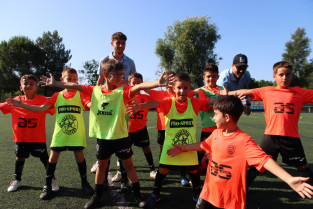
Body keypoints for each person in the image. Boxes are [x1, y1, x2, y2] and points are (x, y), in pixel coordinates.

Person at [39, 58, 174, 209]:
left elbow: (140, 86)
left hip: (121, 137)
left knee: (128, 165)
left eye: (121, 74)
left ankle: (137, 195)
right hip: (103, 138)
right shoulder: (94, 90)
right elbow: (73, 85)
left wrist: (157, 83)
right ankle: (97, 197)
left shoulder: (123, 91)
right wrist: (56, 83)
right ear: (105, 74)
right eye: (116, 74)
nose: (120, 77)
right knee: (102, 166)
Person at [167, 95, 313, 209]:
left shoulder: (244, 141)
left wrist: (289, 179)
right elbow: (203, 145)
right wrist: (184, 147)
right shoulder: (217, 133)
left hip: (231, 201)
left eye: (215, 114)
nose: (213, 117)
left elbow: (265, 160)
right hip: (208, 193)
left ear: (226, 117)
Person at [127, 72, 220, 207]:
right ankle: (155, 194)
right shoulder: (168, 103)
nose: (182, 91)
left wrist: (225, 98)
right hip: (170, 145)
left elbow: (211, 101)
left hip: (189, 147)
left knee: (193, 170)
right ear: (174, 89)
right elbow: (154, 102)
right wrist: (140, 106)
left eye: (186, 88)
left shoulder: (194, 102)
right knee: (163, 170)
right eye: (179, 88)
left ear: (190, 90)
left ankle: (196, 193)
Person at [7, 68, 93, 200]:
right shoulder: (57, 96)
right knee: (52, 159)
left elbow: (89, 104)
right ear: (62, 80)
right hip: (59, 135)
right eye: (69, 79)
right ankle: (47, 186)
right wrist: (22, 105)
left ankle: (85, 183)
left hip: (77, 134)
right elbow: (41, 109)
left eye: (75, 79)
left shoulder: (80, 95)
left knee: (80, 157)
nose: (72, 82)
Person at [228, 61, 313, 189]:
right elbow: (246, 91)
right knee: (259, 164)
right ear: (274, 76)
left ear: (292, 76)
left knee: (302, 166)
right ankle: (242, 188)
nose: (284, 78)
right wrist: (226, 94)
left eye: (288, 74)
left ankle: (310, 188)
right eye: (281, 75)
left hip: (291, 138)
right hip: (270, 137)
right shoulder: (266, 91)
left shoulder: (299, 92)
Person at [1, 74, 59, 193]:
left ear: (36, 87)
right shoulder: (14, 101)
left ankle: (51, 179)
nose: (28, 86)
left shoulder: (43, 100)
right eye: (25, 83)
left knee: (45, 159)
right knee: (20, 157)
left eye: (31, 84)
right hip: (21, 138)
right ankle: (17, 180)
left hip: (38, 138)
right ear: (21, 87)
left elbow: (54, 109)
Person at [111, 72, 157, 191]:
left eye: (139, 83)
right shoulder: (124, 96)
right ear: (129, 83)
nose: (136, 85)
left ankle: (152, 170)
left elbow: (157, 100)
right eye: (134, 83)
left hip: (141, 129)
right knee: (123, 155)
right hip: (126, 131)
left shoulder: (146, 97)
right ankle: (123, 177)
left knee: (146, 148)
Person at [148, 71, 195, 187]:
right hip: (163, 129)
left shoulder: (181, 93)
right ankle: (164, 175)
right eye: (167, 81)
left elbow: (194, 90)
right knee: (163, 152)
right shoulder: (159, 94)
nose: (169, 83)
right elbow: (144, 88)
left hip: (178, 128)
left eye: (172, 80)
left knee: (183, 151)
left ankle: (183, 176)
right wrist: (158, 84)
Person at [198, 63, 224, 173]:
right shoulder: (202, 91)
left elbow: (226, 106)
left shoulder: (222, 89)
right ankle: (194, 175)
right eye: (208, 76)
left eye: (213, 76)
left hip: (221, 128)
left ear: (217, 77)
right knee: (201, 152)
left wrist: (211, 103)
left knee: (221, 153)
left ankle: (219, 173)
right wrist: (221, 100)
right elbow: (204, 107)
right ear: (204, 77)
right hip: (207, 128)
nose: (211, 79)